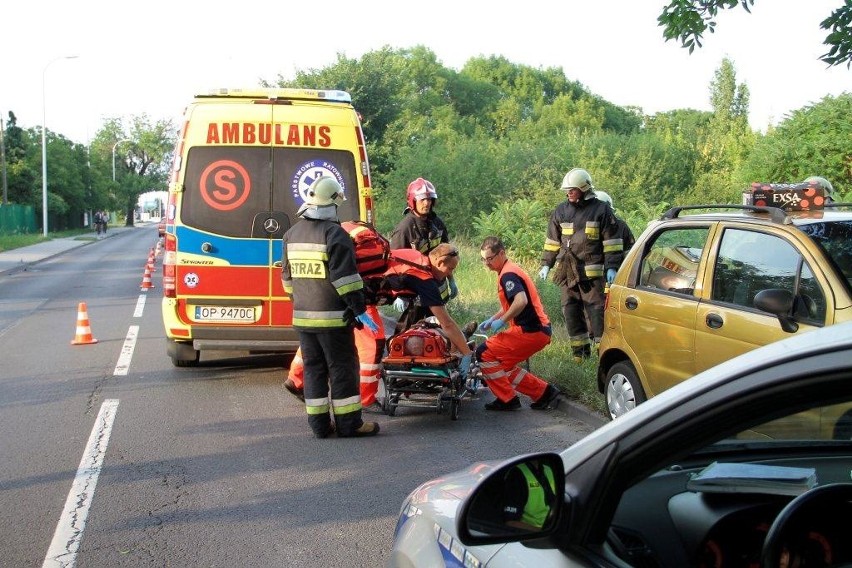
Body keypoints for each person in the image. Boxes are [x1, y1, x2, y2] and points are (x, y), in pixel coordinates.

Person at [281, 175, 381, 439]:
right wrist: (358, 308)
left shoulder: (291, 234)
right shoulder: (335, 234)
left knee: (313, 370)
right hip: (334, 320)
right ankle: (350, 425)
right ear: (332, 203)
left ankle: (320, 427)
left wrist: (302, 303)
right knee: (342, 368)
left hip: (303, 319)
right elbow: (346, 280)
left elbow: (287, 282)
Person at [538, 168, 626, 362]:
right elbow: (552, 242)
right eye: (567, 190)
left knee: (596, 313)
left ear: (584, 188)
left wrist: (611, 267)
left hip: (592, 274)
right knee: (570, 311)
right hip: (567, 272)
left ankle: (602, 354)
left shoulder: (601, 210)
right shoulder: (560, 211)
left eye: (572, 189)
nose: (568, 193)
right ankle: (580, 355)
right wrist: (546, 264)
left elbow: (611, 243)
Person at [476, 237, 561, 411]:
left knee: (483, 353)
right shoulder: (508, 270)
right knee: (501, 366)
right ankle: (545, 393)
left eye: (490, 258)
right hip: (537, 330)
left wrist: (502, 321)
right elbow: (510, 304)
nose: (486, 263)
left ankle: (507, 399)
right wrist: (493, 319)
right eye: (483, 259)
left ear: (501, 253)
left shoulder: (508, 274)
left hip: (531, 331)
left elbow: (520, 301)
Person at [389, 177, 455, 328]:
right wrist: (399, 293)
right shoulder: (405, 229)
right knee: (407, 334)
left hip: (436, 291)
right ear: (413, 201)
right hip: (414, 294)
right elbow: (395, 264)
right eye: (422, 199)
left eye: (430, 199)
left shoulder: (437, 224)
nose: (427, 203)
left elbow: (448, 256)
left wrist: (451, 280)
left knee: (438, 332)